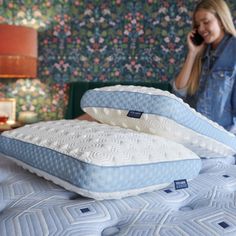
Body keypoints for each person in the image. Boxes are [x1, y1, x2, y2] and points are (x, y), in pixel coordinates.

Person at [172, 0, 236, 133]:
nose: (201, 29)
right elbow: (179, 92)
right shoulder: (200, 52)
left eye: (206, 22)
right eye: (197, 24)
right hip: (193, 135)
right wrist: (192, 53)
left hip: (222, 141)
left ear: (221, 21)